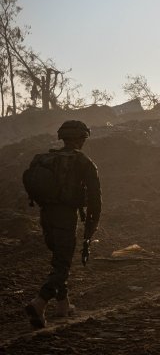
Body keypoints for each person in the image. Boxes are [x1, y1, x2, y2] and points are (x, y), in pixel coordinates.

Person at [24, 120, 102, 329]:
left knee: (59, 258)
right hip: (65, 217)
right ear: (81, 139)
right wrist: (90, 229)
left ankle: (63, 305)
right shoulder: (84, 162)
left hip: (46, 215)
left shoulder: (48, 159)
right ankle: (40, 302)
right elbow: (95, 199)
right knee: (63, 263)